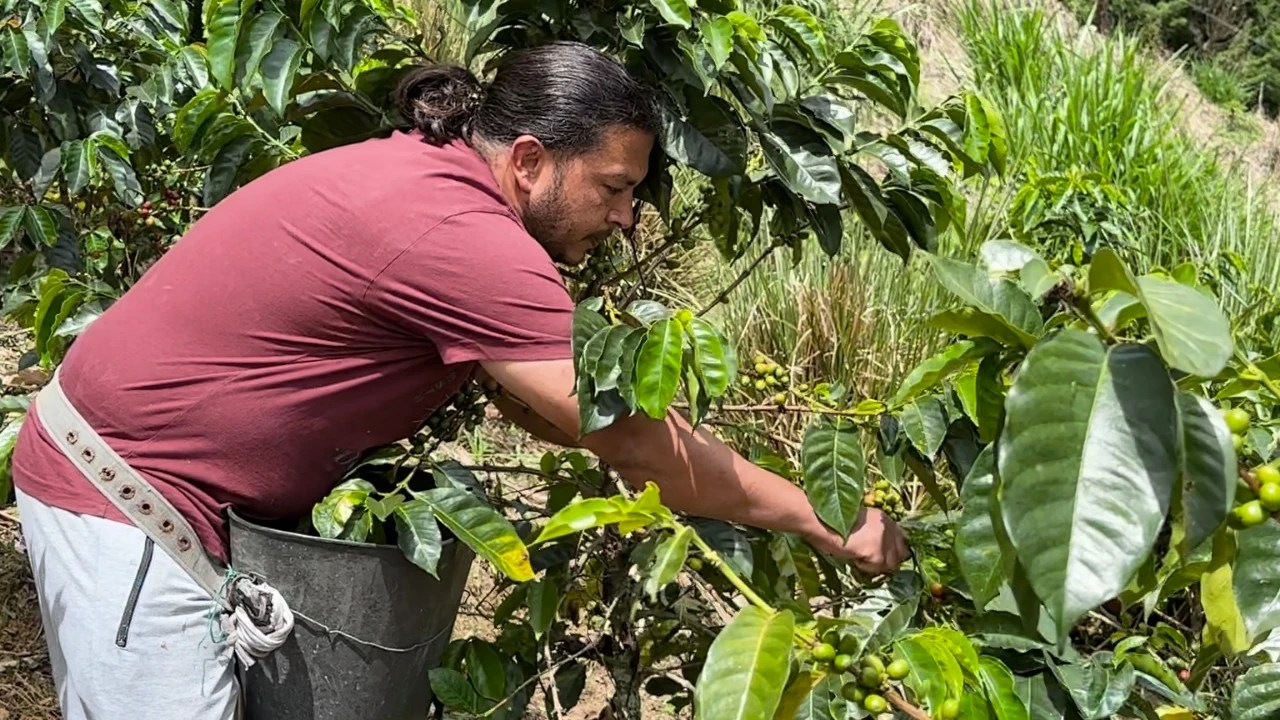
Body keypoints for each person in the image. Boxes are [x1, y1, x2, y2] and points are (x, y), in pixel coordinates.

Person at [10, 41, 909, 719]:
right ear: (529, 160)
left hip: (143, 487)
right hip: (126, 507)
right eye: (614, 187)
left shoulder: (431, 178)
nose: (630, 217)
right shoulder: (466, 239)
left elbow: (542, 408)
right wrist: (815, 515)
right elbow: (624, 434)